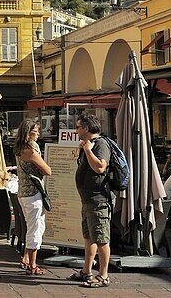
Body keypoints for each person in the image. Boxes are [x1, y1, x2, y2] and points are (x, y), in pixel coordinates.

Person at [71, 113, 112, 289]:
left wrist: (87, 150)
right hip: (88, 200)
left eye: (79, 127)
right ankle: (86, 271)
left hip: (98, 200)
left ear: (86, 128)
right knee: (89, 237)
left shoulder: (101, 144)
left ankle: (103, 275)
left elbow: (101, 167)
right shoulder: (90, 145)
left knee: (101, 238)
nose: (77, 130)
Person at [13, 118, 52, 276]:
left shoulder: (19, 148)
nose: (37, 134)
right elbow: (47, 170)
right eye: (34, 131)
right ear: (27, 133)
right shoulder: (30, 148)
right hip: (33, 194)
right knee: (35, 228)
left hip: (23, 193)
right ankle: (33, 264)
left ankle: (26, 258)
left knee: (34, 226)